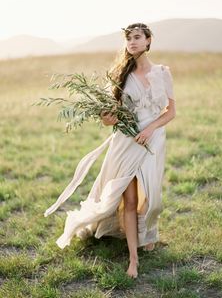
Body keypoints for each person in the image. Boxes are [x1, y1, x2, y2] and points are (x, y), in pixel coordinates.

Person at [44, 22, 176, 279]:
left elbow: (170, 112)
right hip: (125, 142)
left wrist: (149, 130)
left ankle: (148, 233)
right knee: (127, 200)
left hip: (153, 141)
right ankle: (133, 259)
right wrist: (109, 118)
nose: (132, 42)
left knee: (150, 198)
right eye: (129, 39)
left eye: (137, 37)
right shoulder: (119, 76)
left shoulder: (162, 73)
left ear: (149, 41)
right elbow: (108, 118)